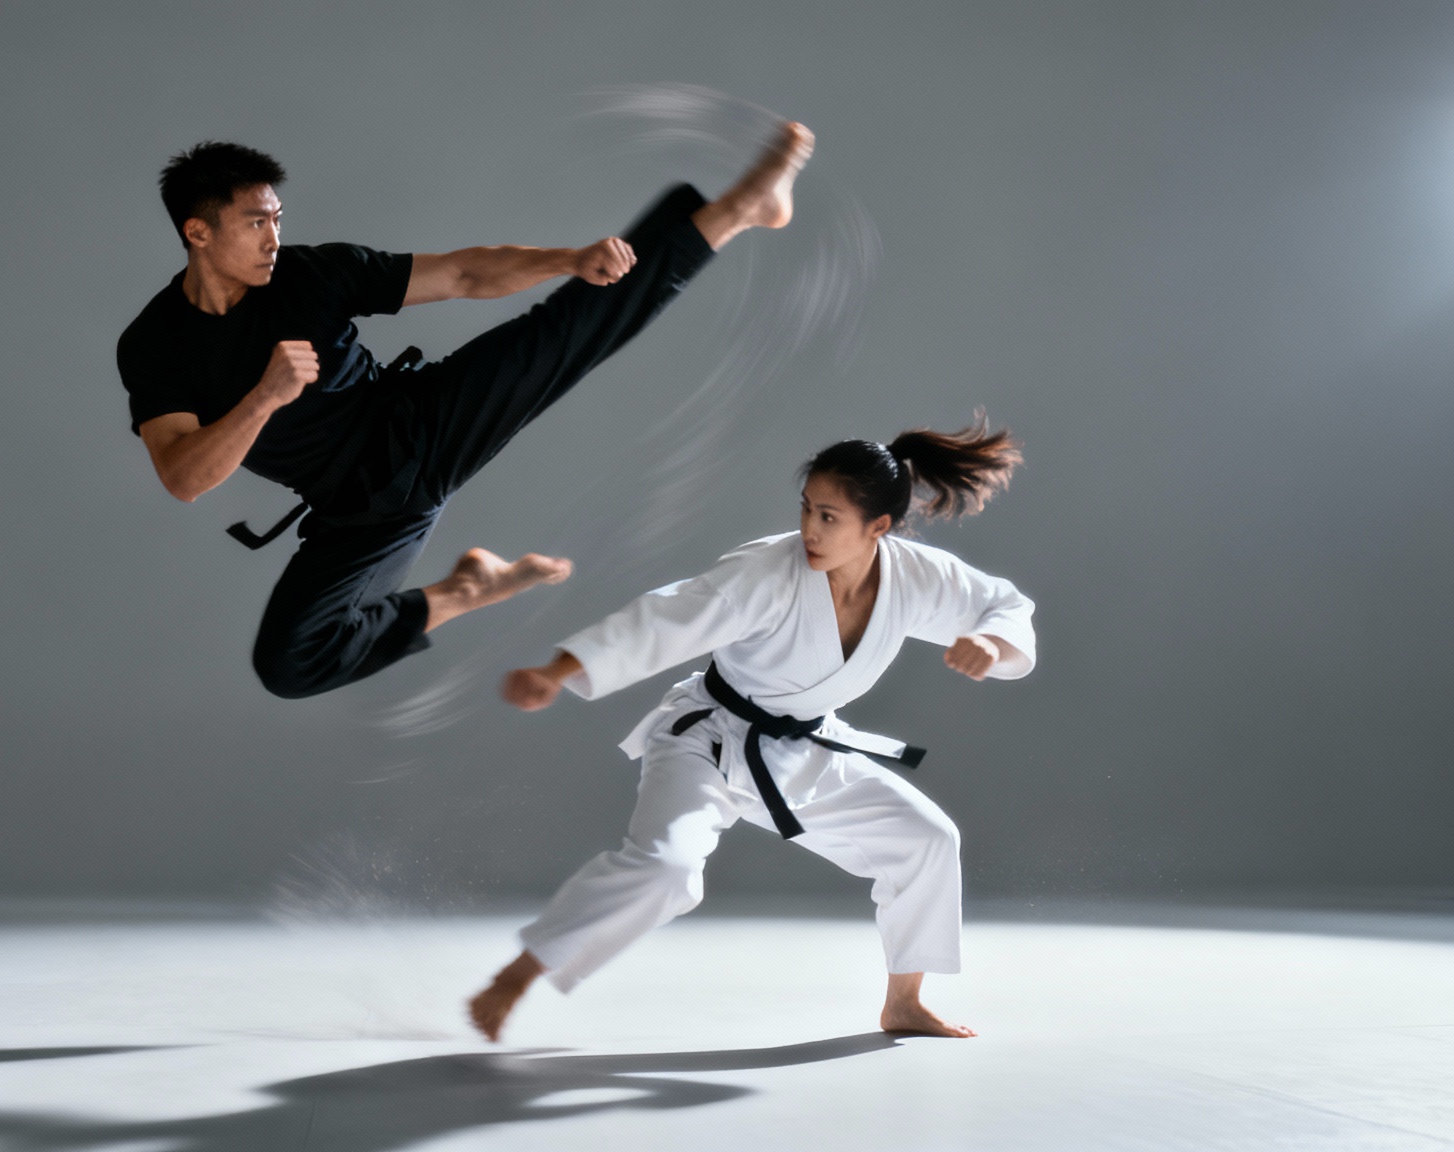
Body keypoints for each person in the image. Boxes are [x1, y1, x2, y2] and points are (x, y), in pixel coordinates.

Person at [117, 125, 815, 699]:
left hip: (426, 421)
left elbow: (462, 273)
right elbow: (184, 476)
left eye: (277, 218)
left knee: (569, 329)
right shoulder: (155, 345)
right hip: (359, 512)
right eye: (254, 223)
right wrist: (264, 397)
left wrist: (567, 258)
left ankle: (739, 208)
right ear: (198, 233)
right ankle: (463, 591)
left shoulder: (310, 273)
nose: (273, 237)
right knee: (290, 664)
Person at [468, 420, 1034, 1041]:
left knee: (928, 839)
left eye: (829, 517)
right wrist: (558, 670)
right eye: (807, 509)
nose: (810, 530)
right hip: (706, 741)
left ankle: (905, 1002)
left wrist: (991, 644)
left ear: (879, 528)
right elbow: (665, 617)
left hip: (804, 747)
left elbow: (1002, 606)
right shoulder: (768, 572)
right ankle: (518, 975)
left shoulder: (916, 577)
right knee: (666, 869)